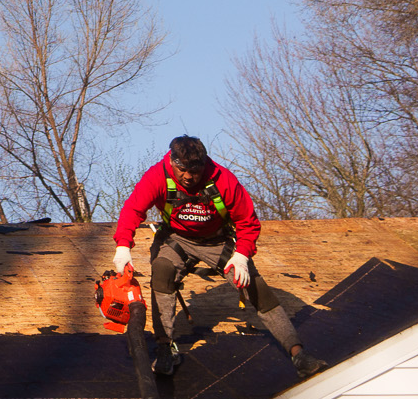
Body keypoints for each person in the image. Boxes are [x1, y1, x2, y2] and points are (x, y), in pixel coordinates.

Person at [112, 135, 326, 379]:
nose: (188, 177)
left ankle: (297, 352)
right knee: (162, 271)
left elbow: (248, 222)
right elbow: (133, 209)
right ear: (172, 162)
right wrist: (123, 245)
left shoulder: (223, 180)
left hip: (218, 241)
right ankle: (165, 349)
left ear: (204, 164)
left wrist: (242, 255)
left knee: (253, 286)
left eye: (195, 171)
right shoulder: (157, 176)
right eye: (182, 170)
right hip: (176, 239)